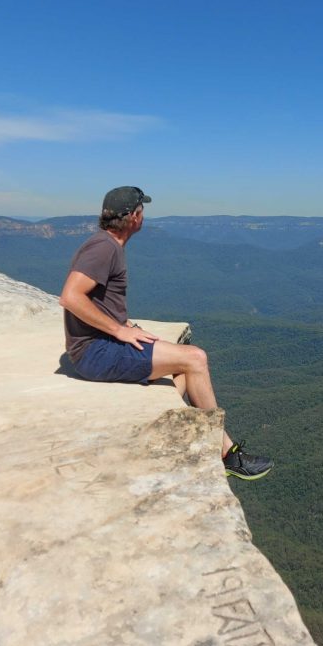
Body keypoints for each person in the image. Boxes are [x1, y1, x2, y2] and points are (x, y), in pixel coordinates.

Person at [60, 185, 273, 480]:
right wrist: (118, 331)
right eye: (142, 210)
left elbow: (98, 299)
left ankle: (170, 435)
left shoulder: (105, 244)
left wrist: (126, 325)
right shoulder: (104, 247)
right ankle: (226, 453)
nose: (143, 215)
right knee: (195, 358)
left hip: (100, 346)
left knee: (182, 366)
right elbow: (70, 296)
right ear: (134, 217)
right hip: (97, 352)